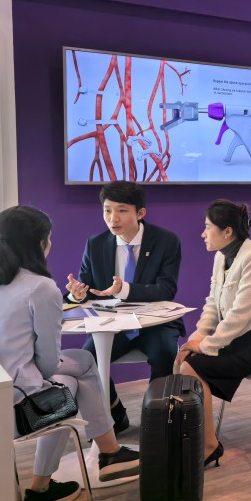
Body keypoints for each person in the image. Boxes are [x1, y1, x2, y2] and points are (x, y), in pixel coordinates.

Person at [0, 206, 140, 501]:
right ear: (41, 243)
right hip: (19, 407)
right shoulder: (40, 287)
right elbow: (47, 365)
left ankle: (46, 488)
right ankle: (105, 454)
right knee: (78, 371)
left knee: (73, 377)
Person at [176, 200, 251, 468]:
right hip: (241, 337)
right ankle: (191, 436)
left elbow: (239, 316)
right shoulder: (221, 257)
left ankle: (209, 446)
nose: (202, 234)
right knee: (182, 359)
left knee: (191, 367)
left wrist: (205, 346)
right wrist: (196, 338)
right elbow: (213, 304)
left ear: (227, 232)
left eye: (207, 227)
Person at [65, 180, 182, 433]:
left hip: (155, 324)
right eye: (107, 210)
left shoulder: (166, 241)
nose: (113, 218)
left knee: (165, 354)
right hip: (114, 325)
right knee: (88, 360)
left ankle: (156, 421)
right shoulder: (96, 244)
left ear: (140, 213)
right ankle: (115, 416)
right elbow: (86, 287)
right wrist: (76, 294)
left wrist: (124, 289)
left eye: (121, 210)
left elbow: (166, 289)